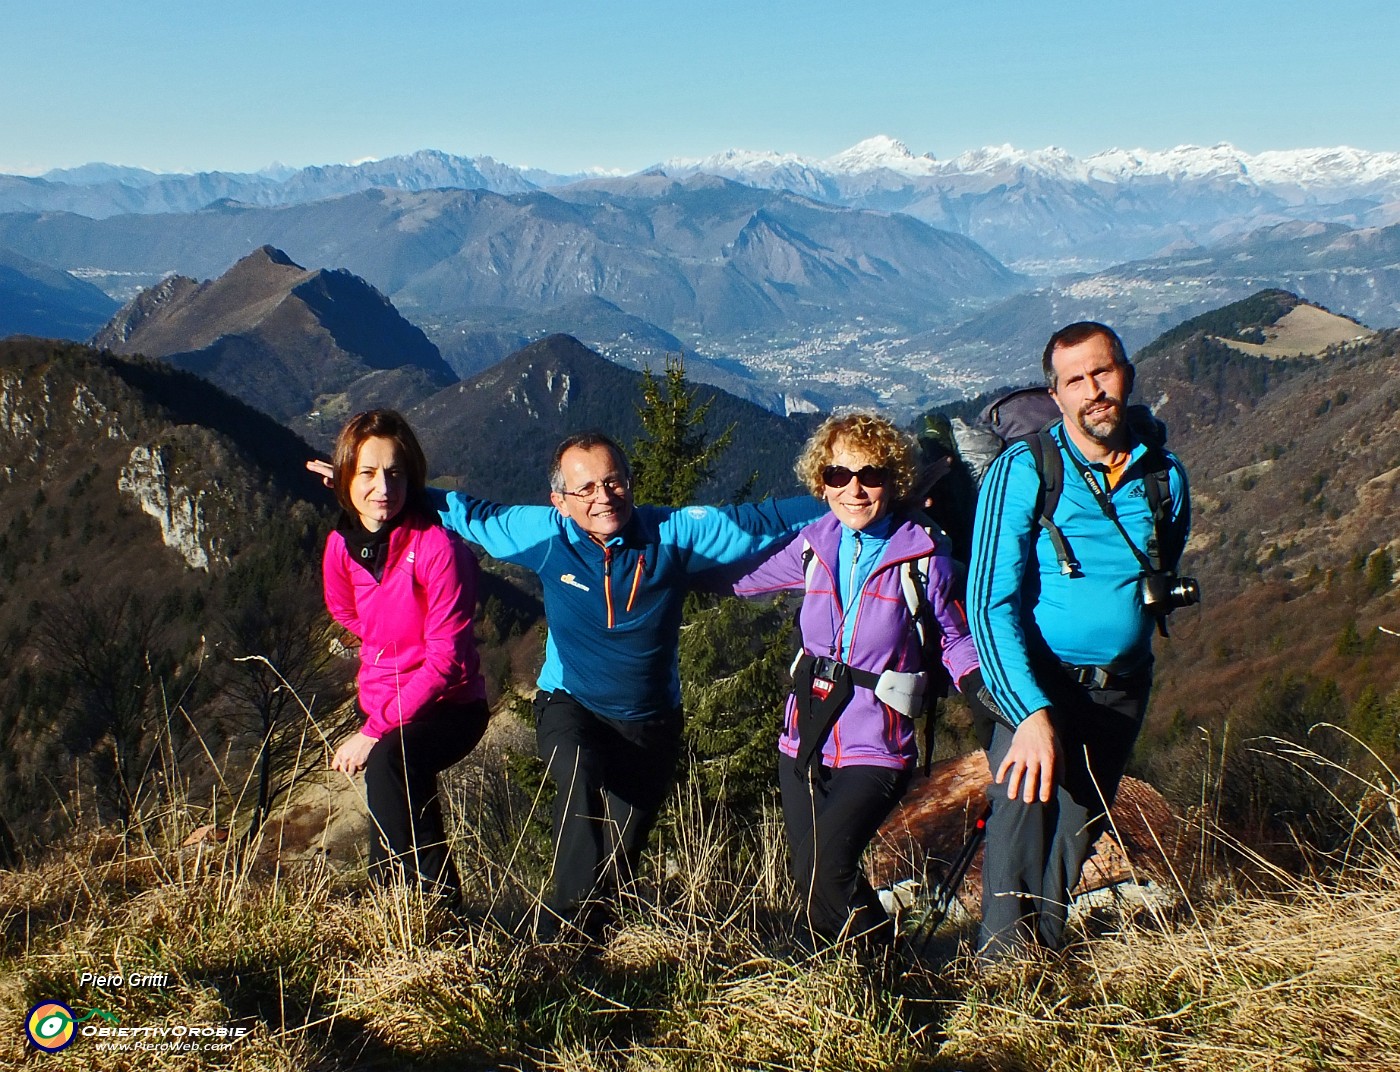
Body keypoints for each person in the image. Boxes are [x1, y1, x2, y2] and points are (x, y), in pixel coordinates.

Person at [360, 431, 825, 938]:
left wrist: (856, 497)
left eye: (613, 482)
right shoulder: (546, 534)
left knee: (618, 858)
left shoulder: (673, 533)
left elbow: (766, 520)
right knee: (578, 770)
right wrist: (364, 489)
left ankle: (589, 946)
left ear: (630, 482)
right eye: (584, 489)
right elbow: (470, 514)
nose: (602, 497)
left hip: (651, 720)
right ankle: (553, 942)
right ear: (559, 500)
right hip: (570, 703)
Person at [726, 413, 994, 950]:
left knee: (827, 866)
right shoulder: (813, 544)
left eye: (869, 475)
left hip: (879, 741)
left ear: (892, 480)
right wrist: (658, 564)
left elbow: (952, 637)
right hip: (804, 733)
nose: (853, 488)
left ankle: (873, 973)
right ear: (820, 482)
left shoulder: (921, 556)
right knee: (812, 875)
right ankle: (859, 970)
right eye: (837, 474)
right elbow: (741, 580)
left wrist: (986, 694)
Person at [968, 321, 1191, 960]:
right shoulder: (1025, 471)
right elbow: (988, 604)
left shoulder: (1165, 478)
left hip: (1121, 686)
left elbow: (1161, 560)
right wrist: (1028, 713)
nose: (1094, 389)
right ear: (1056, 394)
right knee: (1019, 827)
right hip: (1041, 680)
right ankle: (1003, 986)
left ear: (1127, 373)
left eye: (1104, 371)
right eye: (1076, 380)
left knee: (1075, 831)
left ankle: (1048, 957)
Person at [321, 410, 489, 903]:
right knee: (396, 795)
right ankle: (425, 911)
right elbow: (344, 609)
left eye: (395, 473)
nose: (383, 487)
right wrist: (385, 649)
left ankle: (402, 904)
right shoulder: (342, 544)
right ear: (346, 477)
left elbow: (447, 660)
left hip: (451, 705)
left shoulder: (437, 548)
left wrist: (373, 730)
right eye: (368, 473)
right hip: (383, 700)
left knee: (391, 762)